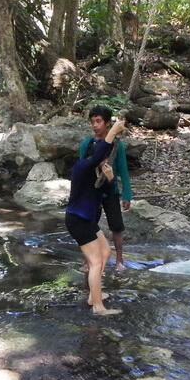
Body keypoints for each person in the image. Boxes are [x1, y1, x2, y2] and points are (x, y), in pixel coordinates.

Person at [67, 115, 127, 315]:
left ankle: (95, 295)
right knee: (96, 261)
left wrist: (109, 179)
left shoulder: (96, 173)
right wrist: (113, 131)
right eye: (102, 159)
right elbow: (101, 151)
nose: (105, 161)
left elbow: (105, 194)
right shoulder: (82, 167)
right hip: (77, 219)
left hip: (86, 220)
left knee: (105, 253)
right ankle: (98, 307)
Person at [79, 105, 133, 270]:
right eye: (93, 122)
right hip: (91, 192)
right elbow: (80, 170)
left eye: (99, 121)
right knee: (89, 225)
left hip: (110, 190)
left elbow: (123, 170)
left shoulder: (117, 146)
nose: (95, 125)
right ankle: (88, 260)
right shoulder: (87, 144)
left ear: (108, 123)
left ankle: (119, 260)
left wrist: (127, 194)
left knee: (116, 226)